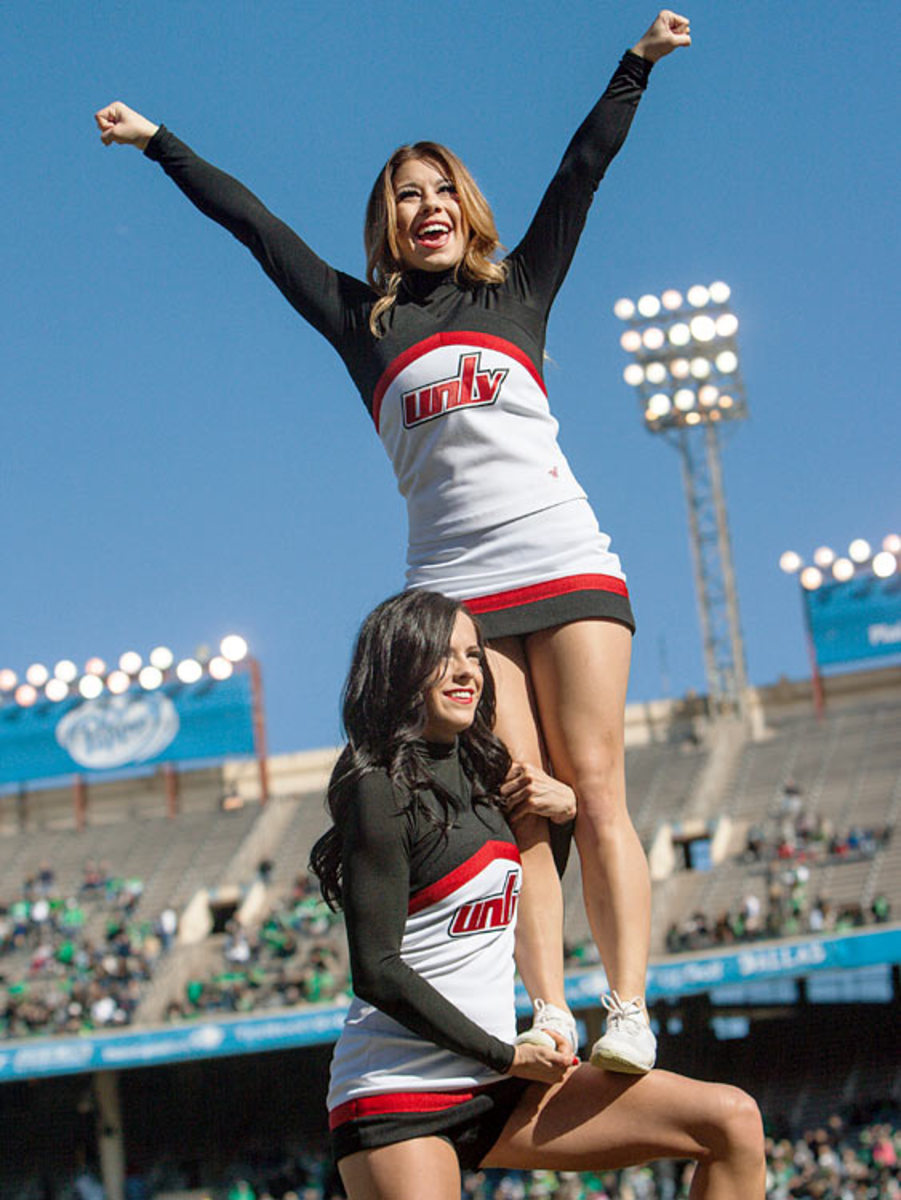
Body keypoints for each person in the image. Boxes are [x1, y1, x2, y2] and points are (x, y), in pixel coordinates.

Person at [95, 10, 691, 1071]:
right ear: (387, 221)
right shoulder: (360, 319)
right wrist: (159, 143)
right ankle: (551, 1010)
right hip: (458, 594)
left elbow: (582, 171)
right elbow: (256, 227)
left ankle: (631, 1008)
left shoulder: (519, 289)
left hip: (566, 558)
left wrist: (633, 65)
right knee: (520, 799)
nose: (424, 207)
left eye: (438, 189)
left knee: (593, 784)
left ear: (466, 207)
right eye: (402, 195)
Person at [308, 590, 765, 1199]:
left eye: (474, 655)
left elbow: (524, 892)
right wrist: (503, 1056)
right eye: (444, 656)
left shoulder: (484, 779)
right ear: (400, 663)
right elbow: (378, 972)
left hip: (502, 1082)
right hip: (398, 1090)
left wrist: (569, 812)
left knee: (731, 1121)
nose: (468, 670)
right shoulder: (377, 789)